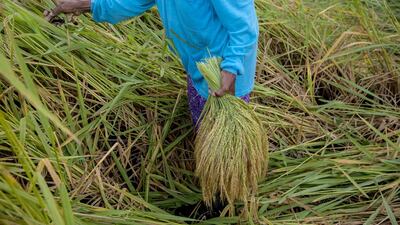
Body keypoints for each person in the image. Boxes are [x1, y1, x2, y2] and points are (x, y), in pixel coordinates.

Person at [45, 0, 259, 127]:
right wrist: (88, 4)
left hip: (225, 76)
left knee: (223, 145)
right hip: (197, 64)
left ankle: (223, 198)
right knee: (201, 125)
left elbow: (244, 28)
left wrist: (230, 68)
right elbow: (130, 2)